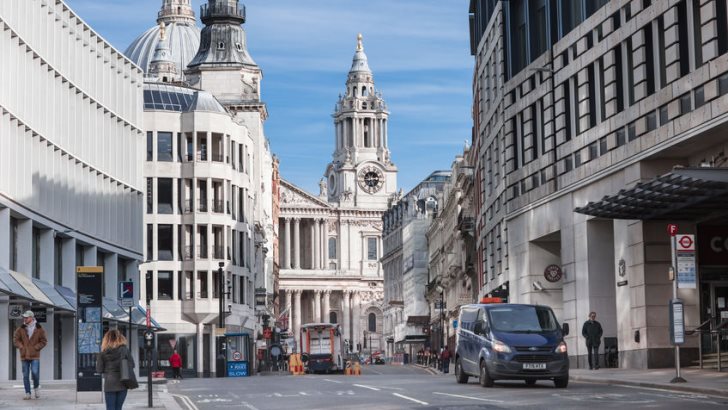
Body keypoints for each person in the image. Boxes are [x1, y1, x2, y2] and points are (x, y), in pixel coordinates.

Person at [13, 310, 48, 400]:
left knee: (35, 373)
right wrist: (21, 347)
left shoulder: (39, 329)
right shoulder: (20, 328)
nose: (24, 319)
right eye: (24, 317)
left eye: (26, 317)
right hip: (24, 355)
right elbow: (15, 339)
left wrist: (36, 348)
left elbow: (44, 341)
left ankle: (36, 388)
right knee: (25, 375)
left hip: (35, 355)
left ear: (32, 318)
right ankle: (28, 393)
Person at [96, 329, 134, 410]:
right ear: (120, 338)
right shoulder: (125, 350)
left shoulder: (102, 353)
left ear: (106, 339)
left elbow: (99, 370)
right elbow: (132, 365)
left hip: (109, 384)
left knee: (110, 408)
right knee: (119, 408)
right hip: (123, 382)